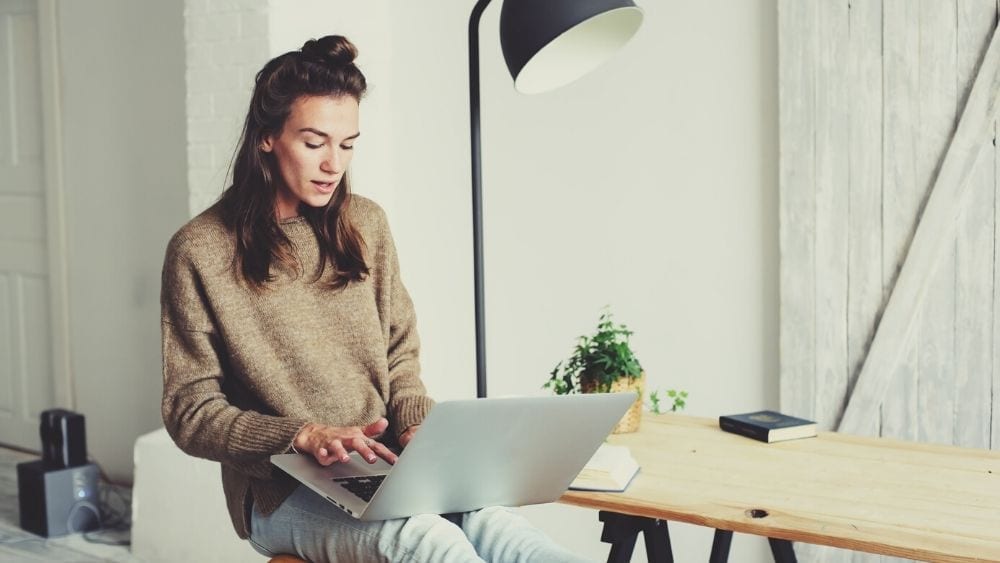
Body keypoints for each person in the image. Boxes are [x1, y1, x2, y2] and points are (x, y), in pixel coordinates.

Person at [160, 35, 591, 563]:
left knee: (503, 531)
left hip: (388, 468)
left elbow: (400, 355)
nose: (333, 164)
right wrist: (301, 436)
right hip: (279, 490)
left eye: (347, 144)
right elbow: (190, 411)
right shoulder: (200, 249)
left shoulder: (365, 223)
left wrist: (416, 425)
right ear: (267, 137)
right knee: (430, 541)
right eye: (315, 142)